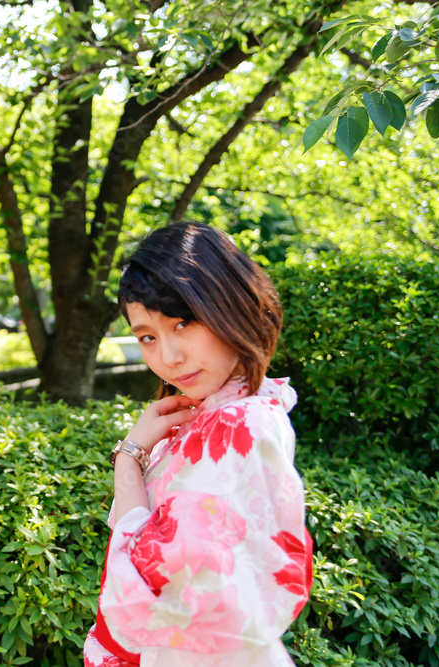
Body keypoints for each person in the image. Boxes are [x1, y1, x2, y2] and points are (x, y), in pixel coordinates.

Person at [85, 221, 313, 667]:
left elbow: (151, 590)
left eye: (184, 322)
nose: (168, 357)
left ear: (232, 304)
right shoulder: (213, 416)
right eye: (148, 337)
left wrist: (128, 462)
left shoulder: (238, 426)